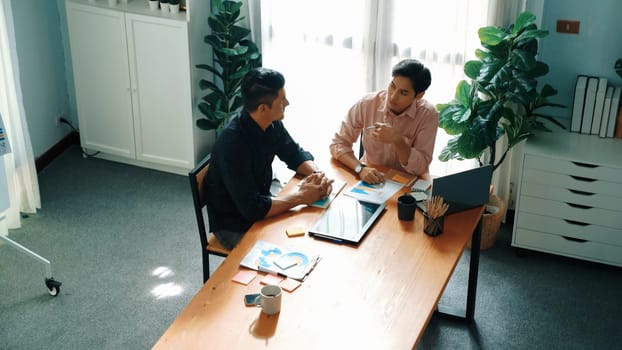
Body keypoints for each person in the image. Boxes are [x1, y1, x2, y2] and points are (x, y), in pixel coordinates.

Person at [204, 67, 333, 250]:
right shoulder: (232, 144)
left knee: (313, 228)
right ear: (263, 108)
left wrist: (319, 176)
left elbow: (294, 154)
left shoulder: (272, 124)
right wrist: (300, 197)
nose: (287, 103)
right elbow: (252, 209)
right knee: (295, 248)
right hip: (234, 225)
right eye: (282, 100)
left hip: (260, 206)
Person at [329, 59, 438, 184]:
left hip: (408, 183)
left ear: (419, 95)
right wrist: (360, 168)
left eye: (403, 92)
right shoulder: (367, 103)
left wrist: (398, 140)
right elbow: (337, 144)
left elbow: (421, 167)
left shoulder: (428, 115)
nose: (393, 97)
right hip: (371, 176)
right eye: (393, 86)